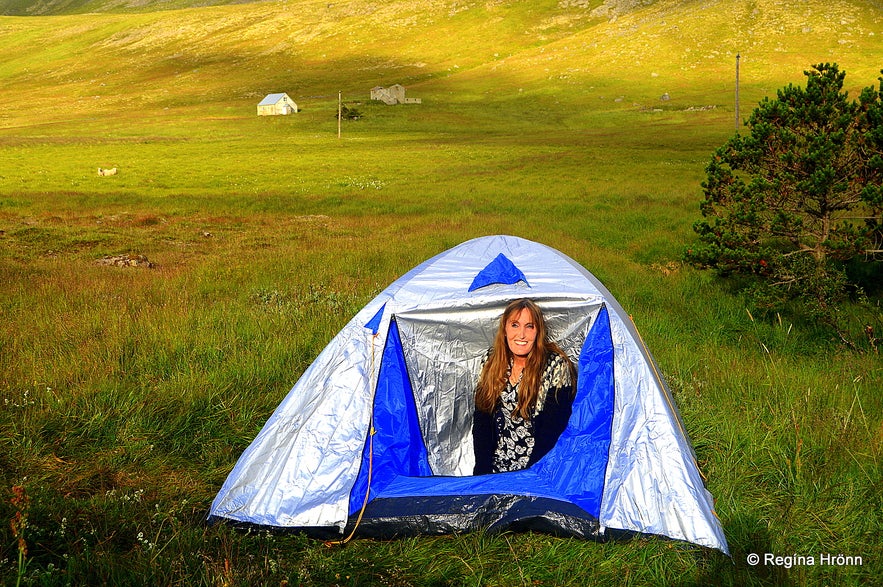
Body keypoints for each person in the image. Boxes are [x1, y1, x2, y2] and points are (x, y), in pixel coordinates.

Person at [472, 298, 576, 475]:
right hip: (495, 470)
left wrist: (528, 478)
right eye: (514, 325)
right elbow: (482, 421)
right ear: (504, 329)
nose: (521, 334)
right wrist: (482, 474)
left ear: (538, 332)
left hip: (538, 470)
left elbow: (552, 432)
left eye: (529, 326)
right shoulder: (491, 360)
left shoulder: (556, 366)